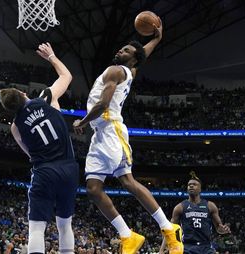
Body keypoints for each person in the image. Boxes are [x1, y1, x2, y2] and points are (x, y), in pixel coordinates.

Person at [72, 17, 183, 254]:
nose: (120, 50)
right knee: (92, 188)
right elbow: (143, 54)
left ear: (131, 58)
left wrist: (81, 121)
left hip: (111, 130)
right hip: (100, 134)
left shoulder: (115, 71)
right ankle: (127, 235)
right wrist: (156, 38)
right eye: (122, 47)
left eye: (125, 50)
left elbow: (103, 105)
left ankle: (168, 229)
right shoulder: (129, 70)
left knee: (127, 181)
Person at [0, 42, 79, 254]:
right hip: (69, 168)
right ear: (23, 94)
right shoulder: (46, 98)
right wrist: (51, 56)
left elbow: (30, 154)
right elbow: (67, 77)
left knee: (36, 228)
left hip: (44, 171)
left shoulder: (15, 127)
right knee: (64, 224)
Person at [159, 172, 231, 254]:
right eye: (189, 185)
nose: (191, 186)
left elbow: (219, 228)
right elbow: (169, 230)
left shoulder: (210, 206)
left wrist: (223, 230)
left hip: (206, 247)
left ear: (200, 189)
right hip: (187, 247)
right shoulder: (180, 207)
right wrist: (161, 249)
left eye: (194, 184)